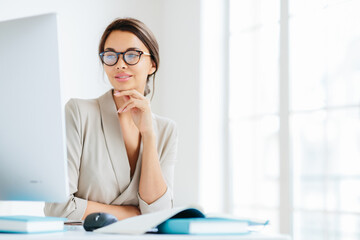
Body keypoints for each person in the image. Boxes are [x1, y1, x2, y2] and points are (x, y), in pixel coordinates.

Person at [44, 18, 178, 220]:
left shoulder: (166, 130)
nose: (120, 64)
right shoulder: (79, 113)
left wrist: (149, 135)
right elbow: (58, 208)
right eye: (111, 55)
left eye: (132, 55)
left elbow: (159, 213)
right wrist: (132, 214)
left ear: (152, 64)